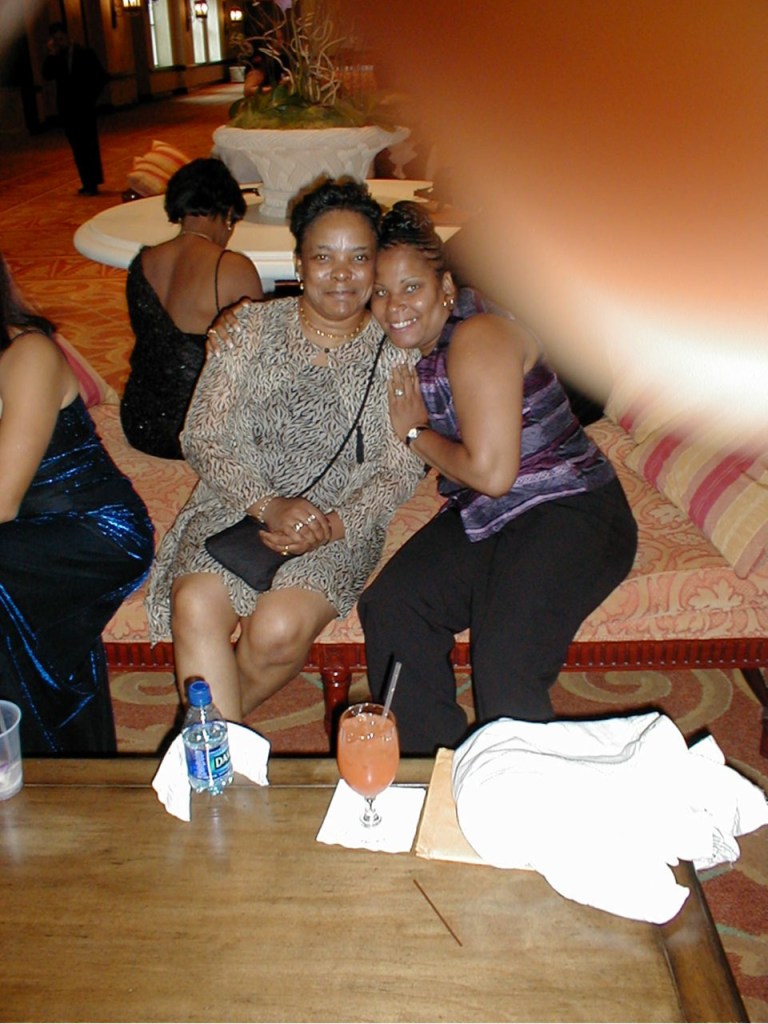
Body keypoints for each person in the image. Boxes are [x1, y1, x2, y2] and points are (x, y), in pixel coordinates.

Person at [358, 202, 639, 755]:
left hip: (572, 509)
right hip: (493, 516)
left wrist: (415, 433)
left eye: (411, 287)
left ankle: (520, 796)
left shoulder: (479, 336)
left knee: (505, 665)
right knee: (394, 606)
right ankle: (436, 766)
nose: (394, 306)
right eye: (381, 292)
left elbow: (491, 474)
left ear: (445, 288)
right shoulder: (421, 344)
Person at [145, 178, 423, 722]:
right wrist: (267, 505)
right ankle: (216, 752)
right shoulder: (248, 328)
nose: (341, 274)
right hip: (235, 504)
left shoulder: (395, 353)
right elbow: (201, 436)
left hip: (336, 522)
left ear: (376, 266)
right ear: (299, 264)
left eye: (358, 257)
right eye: (323, 257)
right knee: (196, 601)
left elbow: (399, 472)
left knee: (276, 629)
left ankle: (206, 741)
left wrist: (331, 526)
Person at [0, 256, 154, 755]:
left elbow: (1, 501)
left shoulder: (28, 353)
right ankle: (56, 759)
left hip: (97, 531)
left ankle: (31, 756)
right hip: (26, 538)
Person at [120, 158, 264, 460]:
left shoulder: (142, 262)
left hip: (139, 421)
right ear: (228, 214)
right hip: (202, 430)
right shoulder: (231, 267)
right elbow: (259, 358)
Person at [42, 22, 109, 197]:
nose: (59, 42)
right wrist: (51, 53)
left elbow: (101, 77)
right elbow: (46, 75)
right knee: (77, 147)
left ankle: (93, 182)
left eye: (61, 38)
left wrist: (90, 98)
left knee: (89, 145)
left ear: (67, 36)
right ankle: (86, 182)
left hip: (85, 107)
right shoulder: (57, 57)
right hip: (67, 109)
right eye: (55, 40)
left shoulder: (85, 53)